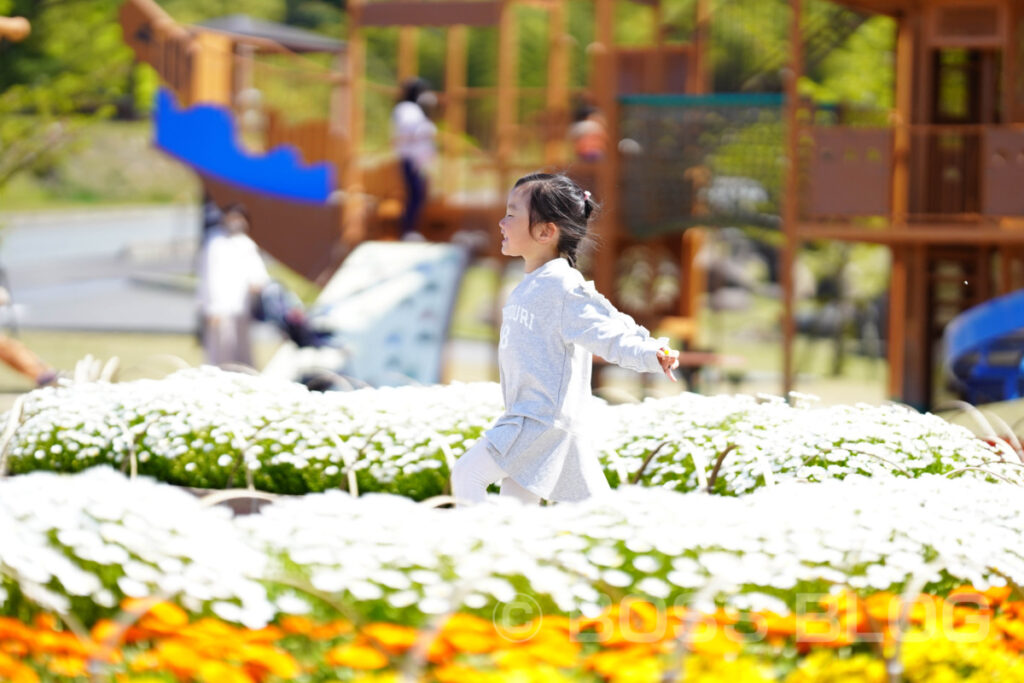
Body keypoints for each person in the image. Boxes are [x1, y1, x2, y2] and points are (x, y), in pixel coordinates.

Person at [450, 173, 680, 505]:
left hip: (538, 421)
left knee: (467, 473)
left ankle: (478, 552)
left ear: (546, 231)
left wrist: (649, 352)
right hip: (532, 418)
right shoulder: (534, 282)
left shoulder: (562, 284)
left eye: (512, 214)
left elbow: (607, 328)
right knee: (525, 514)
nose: (502, 222)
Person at [196, 203, 270, 367]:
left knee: (242, 349)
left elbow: (258, 274)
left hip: (242, 306)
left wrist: (257, 284)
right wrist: (212, 307)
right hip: (220, 307)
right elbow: (210, 276)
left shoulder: (246, 242)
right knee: (221, 350)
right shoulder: (215, 242)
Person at [391, 77, 437, 239]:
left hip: (417, 158)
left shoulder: (413, 108)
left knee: (418, 194)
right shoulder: (407, 108)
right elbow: (408, 130)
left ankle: (410, 229)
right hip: (411, 157)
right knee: (415, 194)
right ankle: (407, 230)